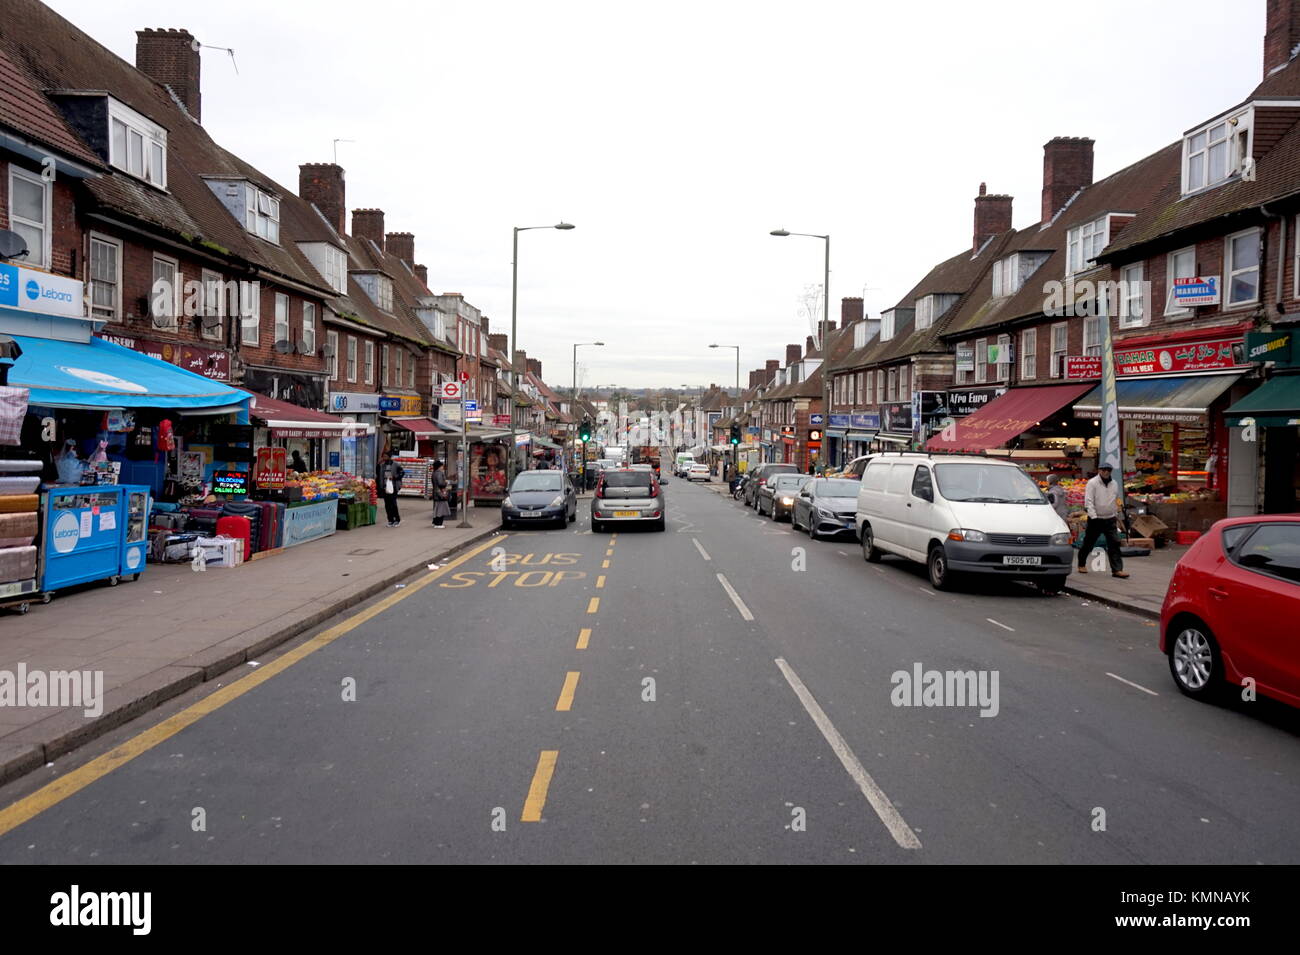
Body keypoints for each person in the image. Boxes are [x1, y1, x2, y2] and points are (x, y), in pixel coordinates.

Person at [1078, 463, 1127, 578]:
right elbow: (1089, 501)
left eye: (1108, 470)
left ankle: (1117, 569)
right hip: (1096, 519)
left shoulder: (1114, 483)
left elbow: (1115, 499)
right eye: (1103, 470)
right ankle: (1081, 563)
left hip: (1110, 518)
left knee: (1114, 543)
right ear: (1099, 470)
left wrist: (1116, 514)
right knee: (1089, 542)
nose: (1106, 472)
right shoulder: (1092, 483)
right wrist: (1093, 516)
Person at [378, 452, 404, 526]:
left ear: (389, 457)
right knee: (387, 504)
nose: (384, 458)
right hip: (385, 487)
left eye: (386, 456)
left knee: (393, 503)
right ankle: (390, 520)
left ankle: (397, 519)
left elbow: (402, 473)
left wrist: (394, 477)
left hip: (393, 486)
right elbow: (380, 476)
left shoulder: (395, 464)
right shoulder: (382, 465)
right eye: (383, 456)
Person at [431, 460, 451, 527]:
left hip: (436, 493)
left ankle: (435, 522)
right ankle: (439, 523)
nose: (443, 467)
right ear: (439, 466)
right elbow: (440, 483)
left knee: (437, 508)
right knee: (441, 509)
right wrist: (446, 482)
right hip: (440, 493)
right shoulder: (439, 473)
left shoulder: (434, 473)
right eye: (442, 466)